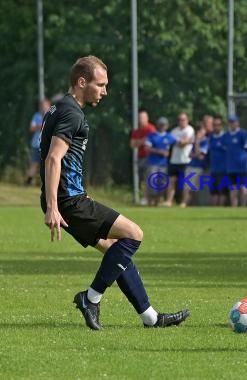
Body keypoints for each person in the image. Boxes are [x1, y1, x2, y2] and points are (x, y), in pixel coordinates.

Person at [40, 56, 189, 330]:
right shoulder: (72, 113)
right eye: (100, 85)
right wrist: (53, 206)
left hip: (67, 198)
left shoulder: (59, 107)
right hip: (69, 201)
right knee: (134, 234)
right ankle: (91, 298)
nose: (105, 91)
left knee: (116, 252)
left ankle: (150, 318)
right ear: (82, 82)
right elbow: (53, 159)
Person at [164, 112, 195, 207]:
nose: (181, 121)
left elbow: (183, 143)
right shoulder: (174, 130)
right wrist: (181, 141)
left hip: (185, 160)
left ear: (187, 120)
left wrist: (180, 142)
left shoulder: (190, 129)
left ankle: (184, 202)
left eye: (183, 119)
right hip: (174, 160)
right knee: (171, 181)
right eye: (180, 119)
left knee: (185, 183)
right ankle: (169, 201)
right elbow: (172, 142)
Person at [145, 117, 178, 207]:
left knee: (161, 185)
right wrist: (160, 152)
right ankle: (150, 203)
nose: (162, 126)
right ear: (158, 125)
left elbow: (178, 142)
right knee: (152, 184)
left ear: (167, 126)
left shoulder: (169, 136)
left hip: (163, 164)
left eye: (164, 124)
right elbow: (147, 148)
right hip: (153, 163)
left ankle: (157, 203)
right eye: (161, 124)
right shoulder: (152, 135)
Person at [130, 109, 156, 206]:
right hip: (140, 157)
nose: (141, 119)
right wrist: (143, 140)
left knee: (148, 179)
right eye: (140, 117)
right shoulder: (136, 131)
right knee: (142, 179)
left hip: (150, 158)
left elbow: (152, 143)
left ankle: (148, 199)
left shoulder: (151, 129)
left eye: (143, 117)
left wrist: (139, 142)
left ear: (147, 118)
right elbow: (132, 144)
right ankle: (145, 198)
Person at [225, 115, 247, 207]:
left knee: (243, 187)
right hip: (231, 167)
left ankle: (243, 206)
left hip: (242, 166)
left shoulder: (242, 134)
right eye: (230, 122)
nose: (232, 124)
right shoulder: (226, 135)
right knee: (233, 188)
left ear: (237, 123)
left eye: (233, 122)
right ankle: (234, 207)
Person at [25, 99, 51, 186]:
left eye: (45, 106)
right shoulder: (36, 116)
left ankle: (48, 184)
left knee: (48, 164)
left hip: (48, 145)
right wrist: (41, 126)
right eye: (42, 106)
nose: (43, 108)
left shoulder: (51, 116)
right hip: (36, 144)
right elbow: (32, 128)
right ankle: (28, 182)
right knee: (34, 164)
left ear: (49, 106)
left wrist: (41, 126)